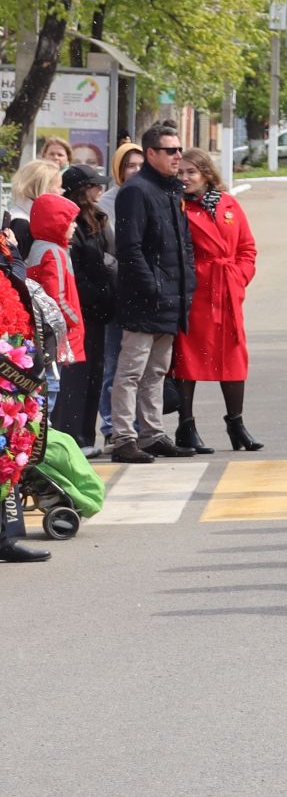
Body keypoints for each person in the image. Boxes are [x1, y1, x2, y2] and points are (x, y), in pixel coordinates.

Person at [109, 122, 196, 463]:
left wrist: (187, 283)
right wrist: (153, 287)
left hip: (170, 297)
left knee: (157, 371)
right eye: (171, 150)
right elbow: (129, 249)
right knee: (131, 370)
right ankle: (123, 438)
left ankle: (152, 433)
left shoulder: (171, 190)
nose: (178, 156)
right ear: (151, 153)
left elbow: (182, 243)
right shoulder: (137, 190)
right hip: (143, 299)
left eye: (179, 150)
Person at [171, 149, 261, 453]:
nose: (184, 178)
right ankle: (186, 425)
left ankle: (236, 423)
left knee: (233, 357)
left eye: (190, 172)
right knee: (188, 359)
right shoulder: (178, 206)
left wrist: (239, 276)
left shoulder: (228, 204)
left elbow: (247, 247)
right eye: (180, 172)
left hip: (227, 292)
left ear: (206, 174)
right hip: (196, 293)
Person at [48, 165, 115, 452]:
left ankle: (86, 436)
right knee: (76, 376)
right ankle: (73, 436)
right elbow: (72, 269)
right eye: (93, 186)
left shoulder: (99, 218)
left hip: (100, 308)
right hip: (80, 308)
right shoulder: (68, 221)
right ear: (80, 190)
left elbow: (111, 255)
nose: (99, 191)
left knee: (95, 373)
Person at [1, 228, 52, 562]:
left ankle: (4, 537)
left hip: (11, 359)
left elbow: (15, 280)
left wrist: (13, 254)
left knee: (8, 447)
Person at [25, 191, 86, 417]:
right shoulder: (54, 252)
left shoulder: (40, 247)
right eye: (70, 221)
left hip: (45, 332)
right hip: (57, 334)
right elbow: (56, 297)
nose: (74, 226)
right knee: (52, 384)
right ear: (57, 223)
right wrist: (75, 319)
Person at [7, 158, 64, 255]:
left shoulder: (27, 216)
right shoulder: (21, 222)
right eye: (58, 187)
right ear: (43, 187)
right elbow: (17, 266)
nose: (61, 192)